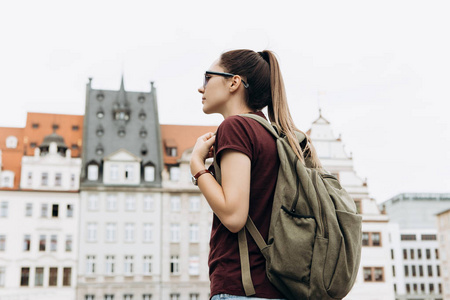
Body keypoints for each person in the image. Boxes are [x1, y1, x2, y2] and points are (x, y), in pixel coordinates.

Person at [190, 49, 321, 300]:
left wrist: (196, 165)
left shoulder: (235, 127)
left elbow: (233, 215)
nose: (201, 87)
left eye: (207, 78)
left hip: (242, 287)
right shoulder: (272, 134)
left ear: (234, 82)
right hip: (277, 288)